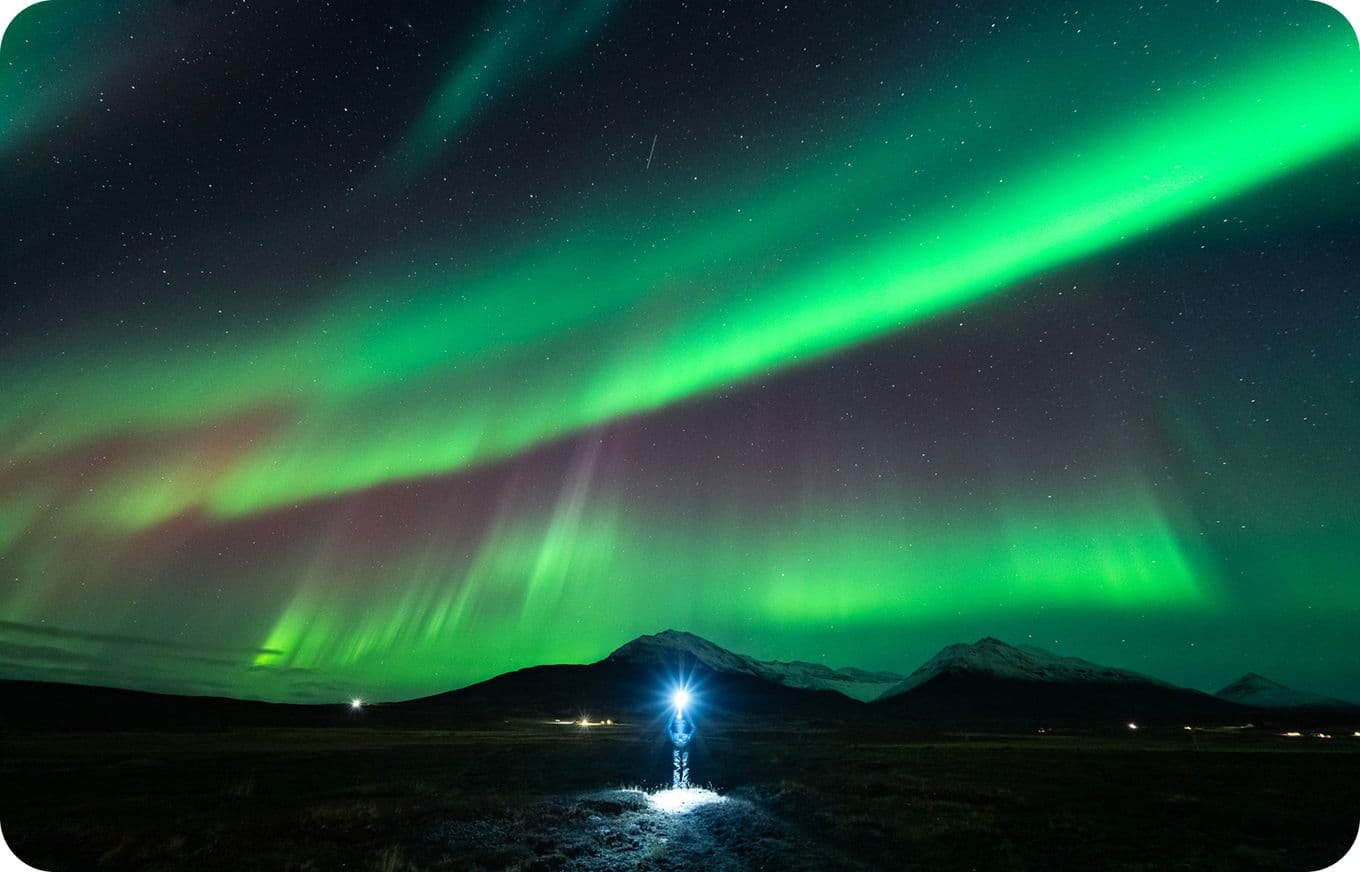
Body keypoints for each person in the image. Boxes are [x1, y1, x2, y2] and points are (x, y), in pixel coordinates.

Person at [668, 706, 693, 788]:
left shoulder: (687, 716)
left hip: (685, 743)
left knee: (685, 765)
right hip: (676, 743)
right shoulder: (673, 715)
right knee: (677, 765)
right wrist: (673, 739)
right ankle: (676, 784)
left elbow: (693, 727)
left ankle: (685, 784)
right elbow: (668, 727)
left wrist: (688, 738)